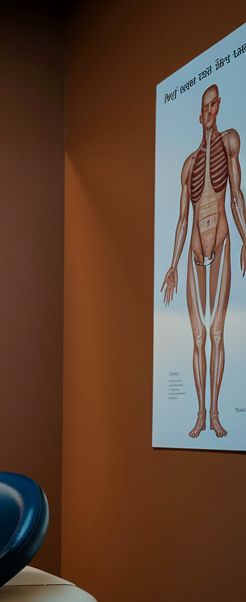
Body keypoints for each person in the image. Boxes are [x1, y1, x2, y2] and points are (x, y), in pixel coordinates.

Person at [160, 83, 246, 439]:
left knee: (217, 333)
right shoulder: (188, 164)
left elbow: (237, 193)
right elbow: (182, 219)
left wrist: (245, 237)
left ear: (219, 106)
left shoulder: (230, 141)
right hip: (194, 250)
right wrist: (172, 264)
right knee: (197, 337)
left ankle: (215, 414)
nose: (209, 111)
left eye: (213, 105)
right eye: (204, 107)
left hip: (222, 240)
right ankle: (199, 415)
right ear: (199, 115)